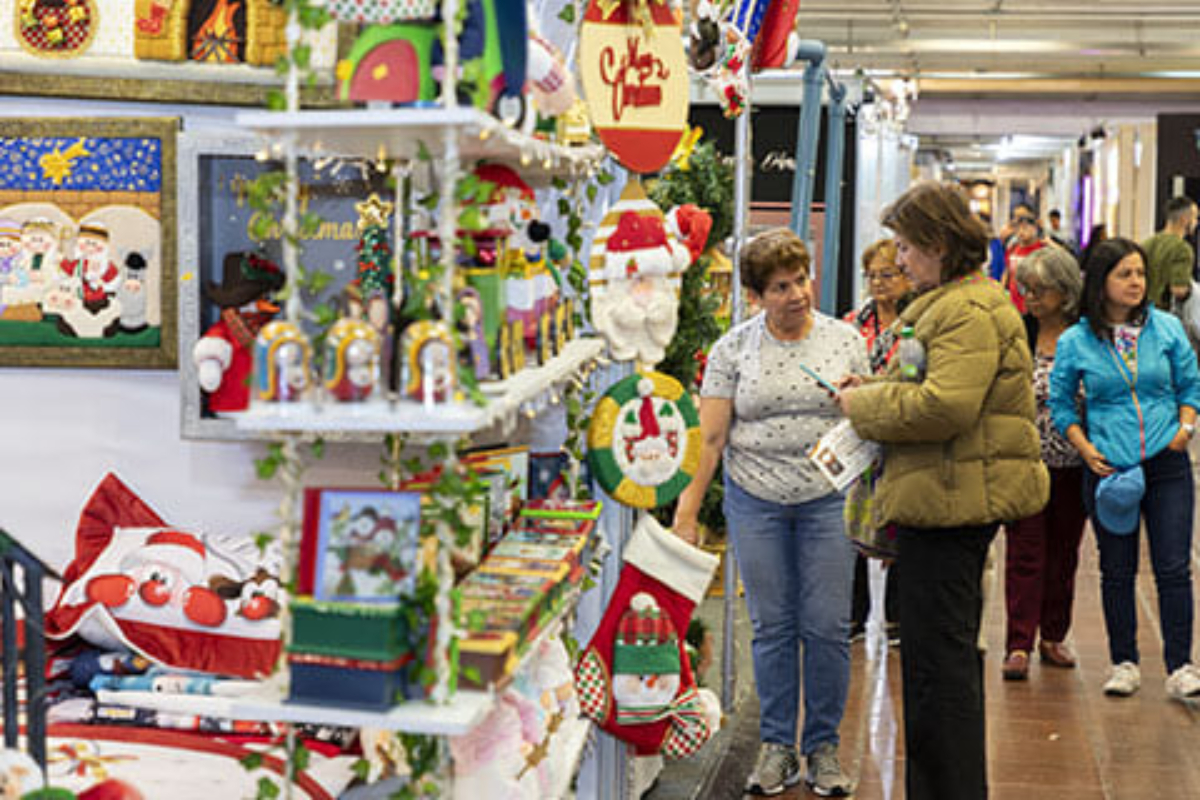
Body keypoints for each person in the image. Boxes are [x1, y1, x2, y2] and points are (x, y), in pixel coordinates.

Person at [837, 181, 1049, 800]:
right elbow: (931, 383)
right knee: (932, 667)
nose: (898, 260)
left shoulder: (967, 310)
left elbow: (945, 406)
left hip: (953, 501)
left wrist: (861, 406)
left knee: (943, 671)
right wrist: (872, 387)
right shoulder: (958, 304)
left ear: (936, 244)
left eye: (905, 246)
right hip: (944, 492)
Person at [674, 227, 866, 797]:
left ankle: (824, 748)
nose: (796, 294)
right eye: (780, 286)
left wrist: (863, 396)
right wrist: (687, 512)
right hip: (755, 501)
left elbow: (872, 414)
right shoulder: (734, 350)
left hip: (828, 500)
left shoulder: (845, 340)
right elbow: (709, 441)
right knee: (773, 626)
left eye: (801, 280)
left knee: (828, 626)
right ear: (756, 296)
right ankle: (778, 746)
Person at [1048, 237, 1200, 701]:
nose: (1137, 283)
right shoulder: (1076, 339)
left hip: (1168, 463)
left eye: (1140, 273)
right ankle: (1124, 662)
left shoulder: (1168, 328)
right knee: (1117, 569)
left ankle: (1181, 667)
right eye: (1125, 274)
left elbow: (1191, 384)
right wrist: (1084, 447)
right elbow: (1060, 403)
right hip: (1110, 468)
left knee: (1174, 566)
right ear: (1101, 282)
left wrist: (1185, 430)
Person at [1000, 247, 1088, 681]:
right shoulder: (1018, 333)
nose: (1031, 298)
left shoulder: (1088, 336)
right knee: (1025, 552)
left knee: (1064, 553)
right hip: (1025, 463)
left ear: (1065, 290)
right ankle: (1018, 641)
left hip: (1076, 463)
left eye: (1040, 290)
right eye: (1026, 290)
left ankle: (1053, 634)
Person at [843, 238, 912, 645]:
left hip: (900, 435)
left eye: (888, 274)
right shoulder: (853, 323)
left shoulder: (918, 322)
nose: (879, 283)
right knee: (852, 521)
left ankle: (897, 618)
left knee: (898, 520)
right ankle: (853, 616)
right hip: (858, 435)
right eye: (872, 276)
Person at [1141, 195, 1198, 311]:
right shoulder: (1182, 249)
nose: (1196, 222)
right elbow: (1178, 290)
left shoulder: (1147, 243)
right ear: (1184, 219)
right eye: (1195, 218)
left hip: (1142, 310)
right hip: (1163, 313)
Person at [1001, 210, 1046, 313]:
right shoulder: (1012, 249)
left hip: (1034, 302)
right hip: (1014, 301)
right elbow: (1007, 271)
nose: (1021, 232)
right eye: (1018, 228)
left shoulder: (1042, 248)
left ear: (1034, 229)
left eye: (1025, 228)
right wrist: (1001, 290)